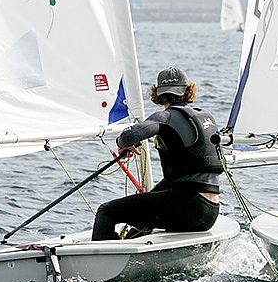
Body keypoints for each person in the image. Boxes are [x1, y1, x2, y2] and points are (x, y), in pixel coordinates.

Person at [92, 66, 223, 241]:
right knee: (150, 208)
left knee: (106, 211)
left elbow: (130, 135)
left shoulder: (166, 117)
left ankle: (101, 262)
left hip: (186, 206)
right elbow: (183, 177)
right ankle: (129, 245)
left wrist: (122, 143)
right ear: (188, 90)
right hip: (210, 212)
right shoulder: (206, 117)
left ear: (158, 94)